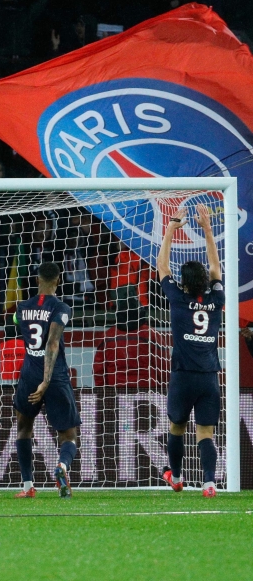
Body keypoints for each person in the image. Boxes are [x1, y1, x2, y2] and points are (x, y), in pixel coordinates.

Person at [157, 204, 223, 498]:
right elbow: (216, 268)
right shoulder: (216, 298)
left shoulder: (178, 299)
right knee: (206, 434)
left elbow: (162, 267)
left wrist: (171, 228)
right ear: (206, 282)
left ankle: (177, 477)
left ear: (183, 283)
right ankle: (209, 482)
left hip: (184, 376)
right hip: (209, 377)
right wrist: (208, 230)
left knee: (177, 428)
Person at [11, 262, 79, 499]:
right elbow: (52, 342)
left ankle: (28, 485)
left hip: (29, 372)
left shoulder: (21, 308)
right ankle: (61, 467)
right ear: (58, 280)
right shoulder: (62, 308)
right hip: (55, 376)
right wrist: (47, 380)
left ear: (37, 280)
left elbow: (19, 324)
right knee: (68, 435)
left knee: (23, 428)